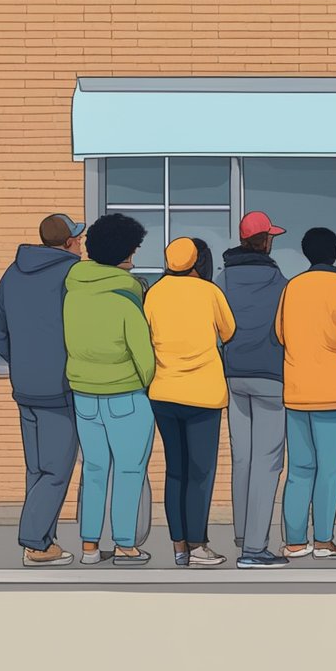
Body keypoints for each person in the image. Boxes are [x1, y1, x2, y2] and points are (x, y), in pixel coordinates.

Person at [0, 214, 85, 566]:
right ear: (69, 243)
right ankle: (35, 543)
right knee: (56, 471)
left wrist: (22, 358)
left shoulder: (13, 273)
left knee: (37, 469)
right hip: (60, 386)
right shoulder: (72, 276)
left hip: (25, 386)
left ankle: (44, 539)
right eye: (78, 238)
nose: (81, 244)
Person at [63, 213, 156, 566]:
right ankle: (125, 544)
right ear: (125, 253)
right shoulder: (125, 299)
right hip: (126, 396)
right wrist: (145, 382)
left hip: (84, 395)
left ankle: (88, 546)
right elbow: (144, 357)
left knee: (94, 470)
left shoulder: (73, 292)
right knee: (130, 470)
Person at [145, 237, 236, 568]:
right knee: (200, 472)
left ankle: (179, 546)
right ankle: (199, 546)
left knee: (175, 471)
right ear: (197, 261)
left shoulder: (153, 293)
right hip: (203, 395)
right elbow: (229, 331)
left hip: (164, 392)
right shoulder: (210, 292)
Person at [275, 227, 336, 561]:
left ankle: (295, 541)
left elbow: (279, 334)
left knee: (298, 469)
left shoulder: (292, 287)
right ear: (335, 252)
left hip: (297, 391)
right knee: (329, 470)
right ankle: (323, 541)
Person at [217, 211, 291, 569]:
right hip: (271, 377)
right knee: (267, 462)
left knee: (242, 458)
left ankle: (243, 535)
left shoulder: (221, 279)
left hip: (231, 376)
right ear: (266, 241)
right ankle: (255, 549)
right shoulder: (280, 282)